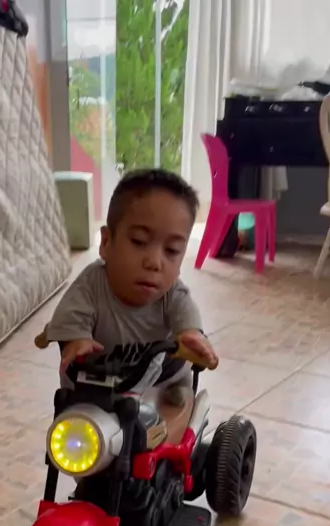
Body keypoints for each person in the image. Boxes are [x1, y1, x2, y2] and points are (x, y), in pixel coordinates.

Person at [41, 168, 218, 405]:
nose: (154, 262)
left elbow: (187, 317)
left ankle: (179, 389)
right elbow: (69, 317)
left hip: (158, 375)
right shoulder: (91, 286)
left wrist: (191, 334)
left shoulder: (172, 294)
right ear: (106, 242)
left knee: (176, 386)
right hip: (96, 380)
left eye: (172, 250)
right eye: (139, 241)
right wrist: (76, 340)